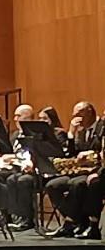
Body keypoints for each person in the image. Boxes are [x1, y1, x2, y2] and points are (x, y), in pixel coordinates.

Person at [46, 101, 104, 239]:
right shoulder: (81, 131)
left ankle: (70, 224)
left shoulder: (101, 127)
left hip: (95, 170)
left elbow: (101, 150)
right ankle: (76, 220)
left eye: (79, 114)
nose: (75, 118)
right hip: (81, 170)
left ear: (89, 112)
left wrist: (91, 154)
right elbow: (72, 153)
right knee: (53, 185)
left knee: (77, 184)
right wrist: (71, 134)